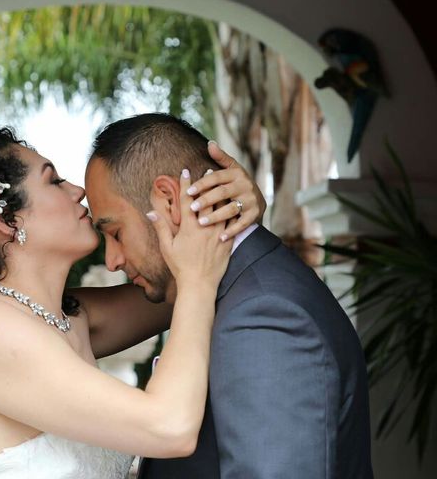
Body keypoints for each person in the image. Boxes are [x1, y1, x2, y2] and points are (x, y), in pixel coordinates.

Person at [0, 121, 265, 478]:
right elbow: (170, 428)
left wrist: (236, 210)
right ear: (6, 218)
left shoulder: (68, 317)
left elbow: (190, 284)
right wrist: (197, 279)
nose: (78, 191)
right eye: (54, 181)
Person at [85, 112, 374, 479]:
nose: (112, 261)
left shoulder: (264, 315)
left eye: (115, 233)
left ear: (169, 201)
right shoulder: (222, 289)